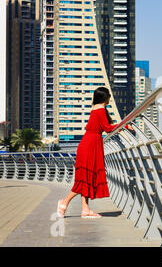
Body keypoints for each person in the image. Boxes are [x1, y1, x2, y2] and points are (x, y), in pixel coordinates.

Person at [57, 87, 133, 218]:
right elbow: (108, 128)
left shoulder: (96, 108)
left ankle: (85, 209)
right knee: (83, 180)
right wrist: (124, 125)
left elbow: (104, 127)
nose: (110, 97)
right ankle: (64, 202)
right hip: (90, 145)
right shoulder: (101, 109)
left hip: (89, 144)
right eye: (109, 95)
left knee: (87, 177)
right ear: (105, 98)